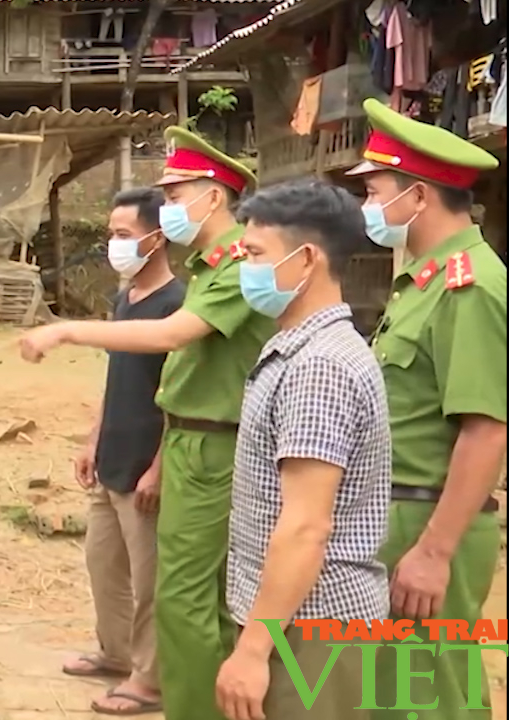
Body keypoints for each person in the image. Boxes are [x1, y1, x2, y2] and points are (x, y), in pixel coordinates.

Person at [19, 126, 275, 720]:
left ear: (213, 196)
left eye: (177, 192)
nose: (170, 205)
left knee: (185, 594)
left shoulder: (233, 267)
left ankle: (167, 689)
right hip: (185, 441)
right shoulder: (211, 267)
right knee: (178, 593)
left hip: (212, 447)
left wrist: (64, 329)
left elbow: (170, 339)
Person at [345, 98, 506, 719]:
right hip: (396, 514)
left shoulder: (471, 286)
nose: (368, 205)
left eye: (375, 189)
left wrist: (435, 551)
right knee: (394, 697)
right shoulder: (423, 279)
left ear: (416, 197)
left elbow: (487, 430)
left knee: (430, 700)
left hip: (428, 521)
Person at [213, 180, 391, 720]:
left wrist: (253, 649)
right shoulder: (305, 347)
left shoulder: (319, 367)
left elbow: (306, 526)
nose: (244, 267)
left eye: (254, 254)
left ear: (306, 258)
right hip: (296, 619)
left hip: (310, 625)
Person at [63, 188, 183, 716]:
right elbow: (116, 380)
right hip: (112, 457)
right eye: (111, 234)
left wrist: (159, 467)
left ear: (156, 239)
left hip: (144, 469)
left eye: (122, 235)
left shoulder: (176, 306)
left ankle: (148, 678)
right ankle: (115, 653)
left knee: (149, 579)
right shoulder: (124, 298)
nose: (113, 244)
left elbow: (179, 398)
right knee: (102, 564)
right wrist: (92, 438)